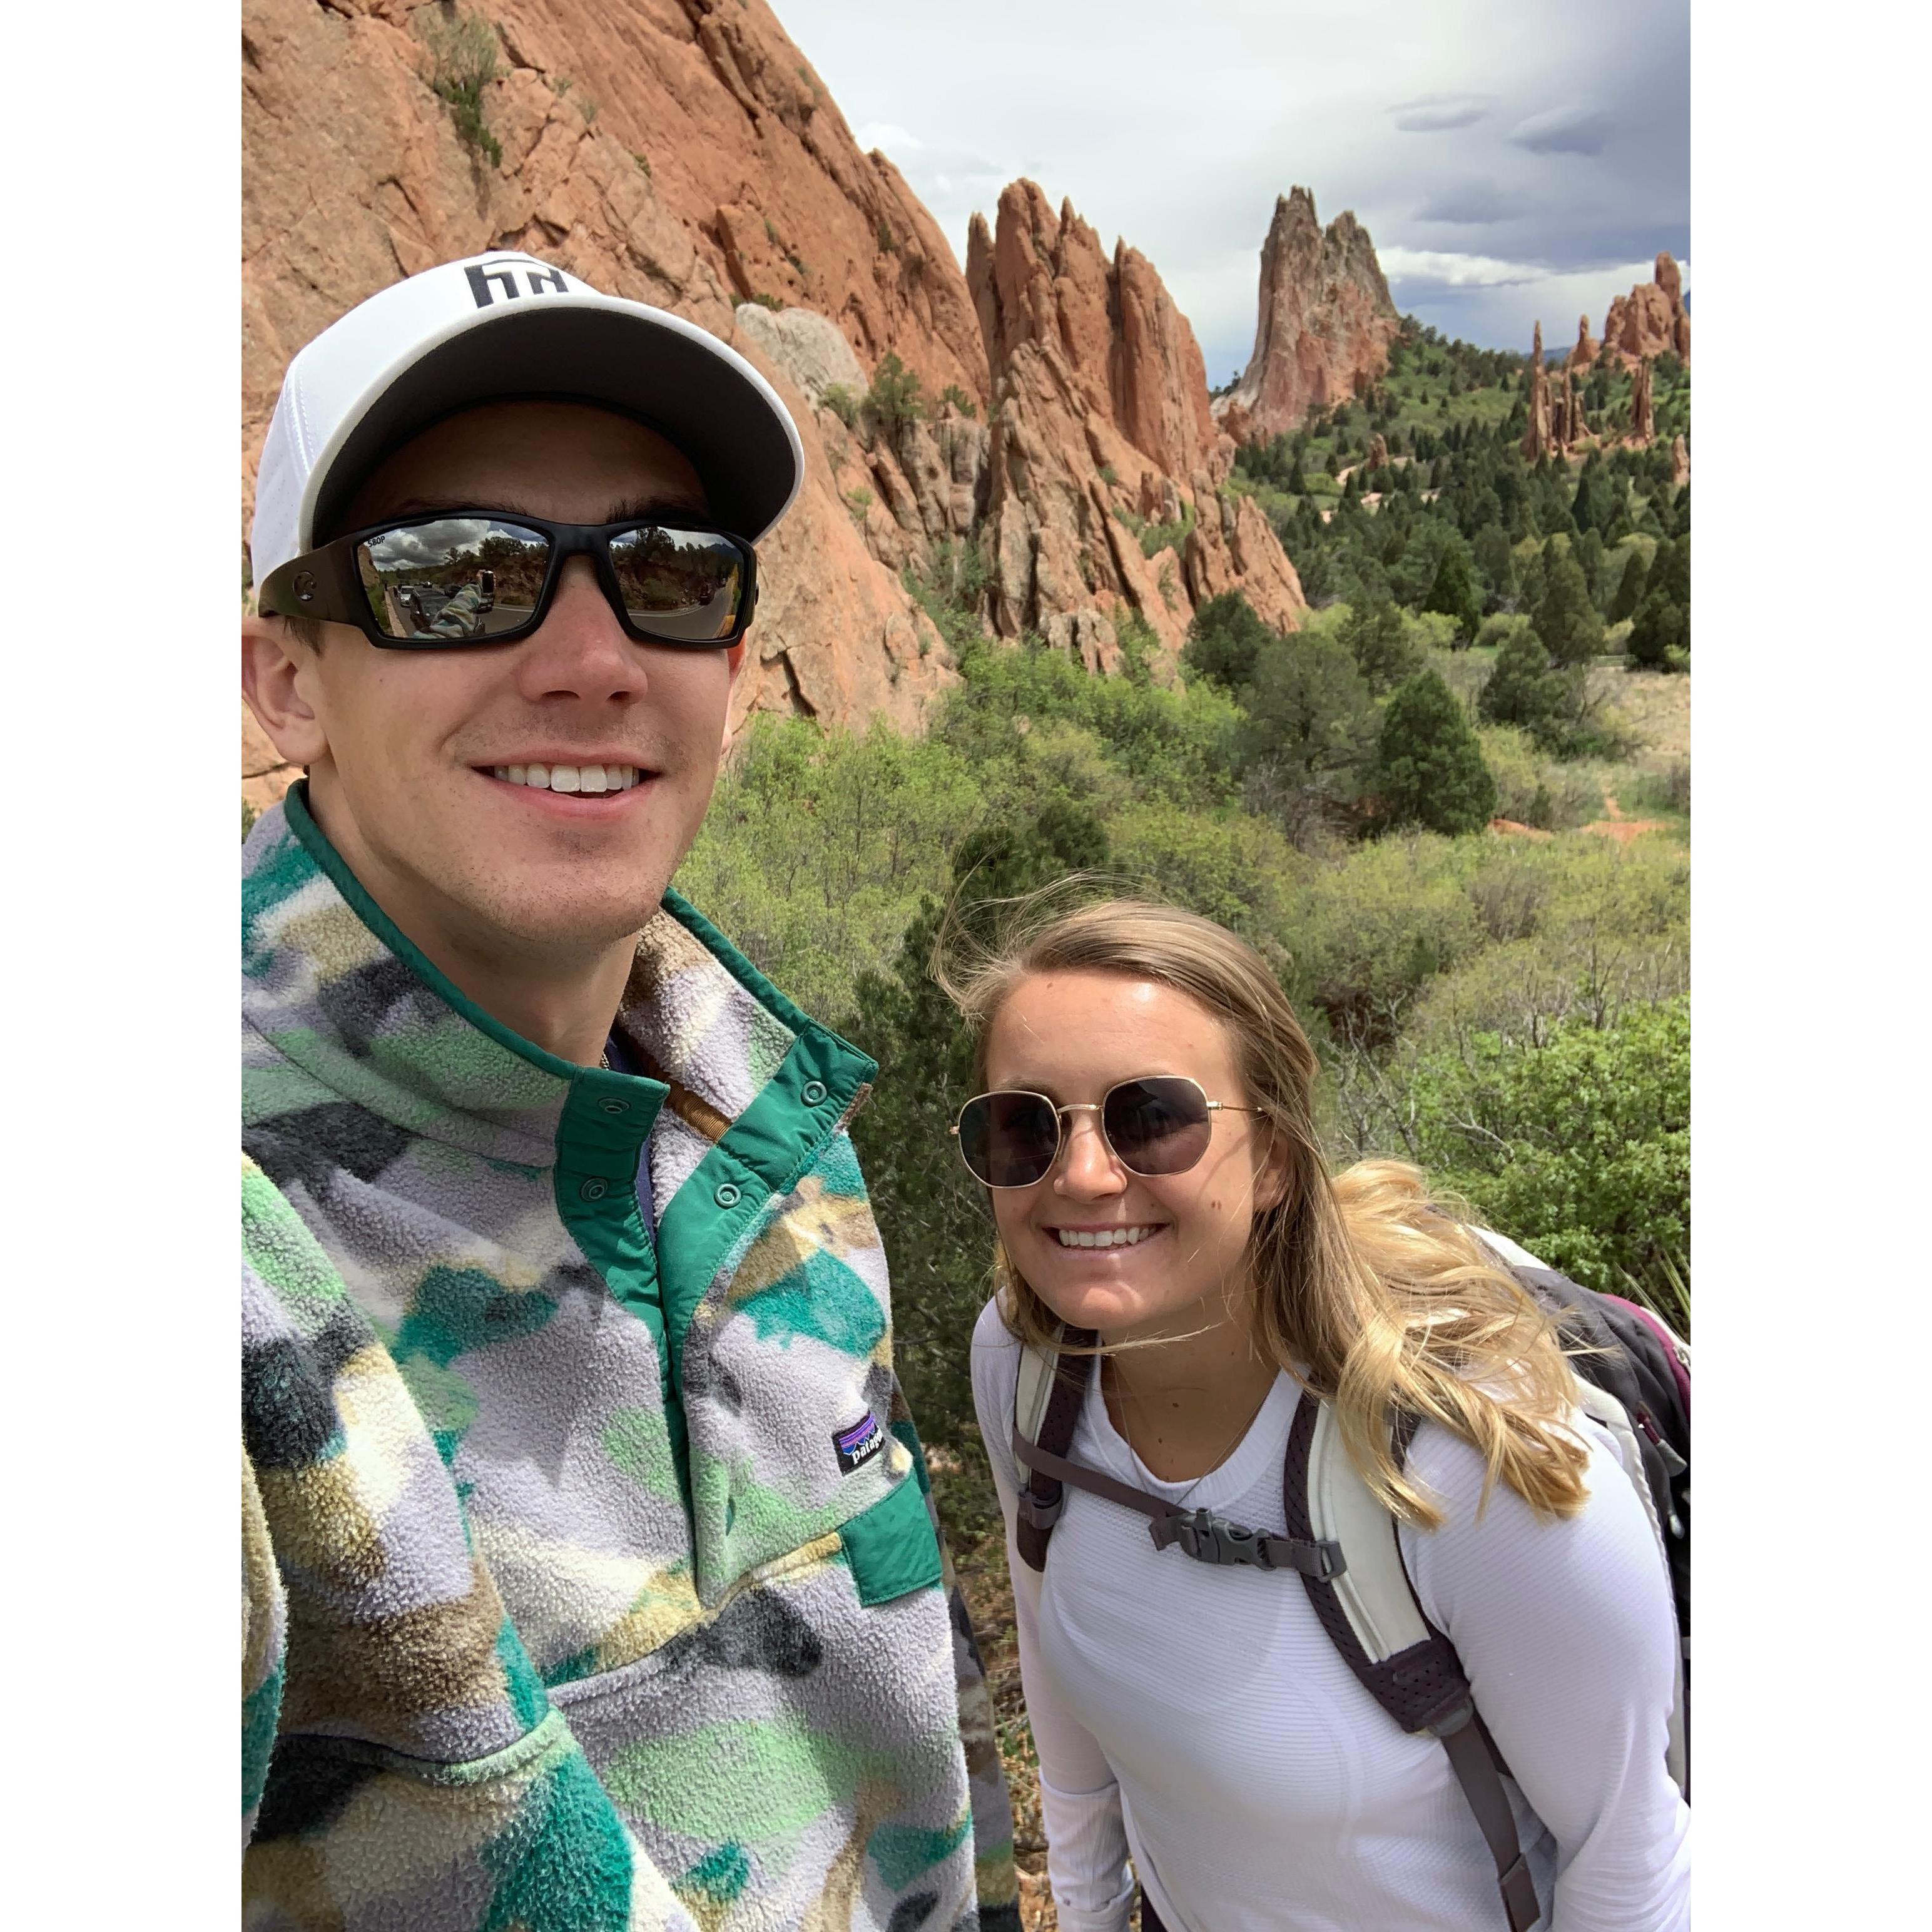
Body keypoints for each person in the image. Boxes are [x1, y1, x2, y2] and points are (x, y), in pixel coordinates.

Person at [240, 250, 1017, 1932]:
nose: (593, 657)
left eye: (669, 575)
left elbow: (901, 1708)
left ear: (737, 675)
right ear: (289, 680)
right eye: (457, 576)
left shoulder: (762, 1103)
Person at [953, 898, 1689, 1932]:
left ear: (1275, 1162)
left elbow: (1631, 1861)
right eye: (1025, 1125)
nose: (1079, 1175)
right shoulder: (1025, 1367)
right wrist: (1087, 1909)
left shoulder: (1471, 1472)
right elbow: (1055, 1653)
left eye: (1152, 1118)